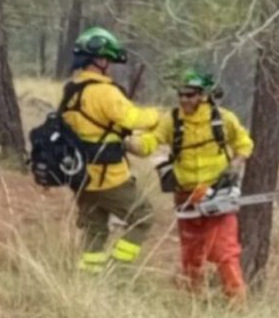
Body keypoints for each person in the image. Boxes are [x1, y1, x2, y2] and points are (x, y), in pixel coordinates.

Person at [128, 69, 253, 300]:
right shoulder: (172, 120)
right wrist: (130, 143)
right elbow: (150, 142)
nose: (184, 100)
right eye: (181, 95)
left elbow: (244, 143)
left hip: (218, 195)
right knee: (191, 253)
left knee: (224, 252)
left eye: (190, 95)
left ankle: (237, 303)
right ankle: (191, 301)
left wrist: (235, 165)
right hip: (186, 197)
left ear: (204, 95)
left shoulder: (224, 119)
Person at [61, 27, 160, 273]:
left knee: (95, 228)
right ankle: (118, 270)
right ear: (100, 59)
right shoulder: (104, 92)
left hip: (82, 178)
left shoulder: (72, 90)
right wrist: (157, 115)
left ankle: (90, 275)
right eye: (109, 60)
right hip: (110, 178)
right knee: (143, 216)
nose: (111, 66)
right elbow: (134, 119)